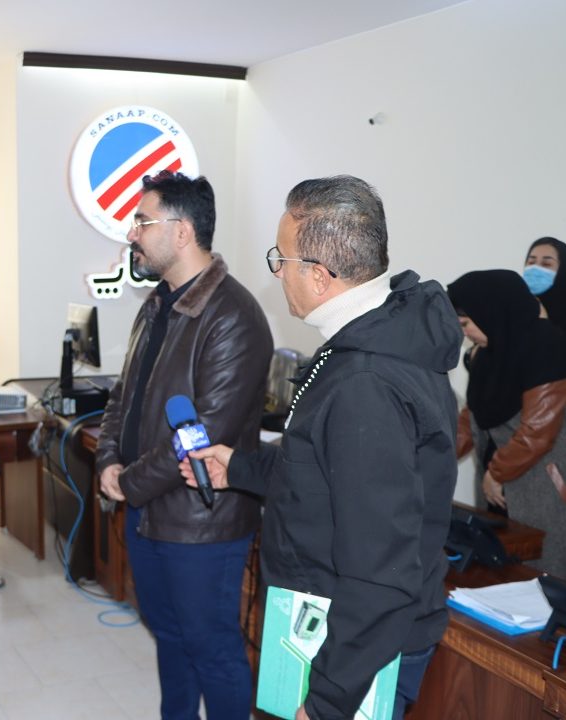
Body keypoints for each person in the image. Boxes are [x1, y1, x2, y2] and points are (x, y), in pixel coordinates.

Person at [182, 176, 463, 720]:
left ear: (317, 274)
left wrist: (327, 700)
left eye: (279, 258)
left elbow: (379, 570)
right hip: (335, 624)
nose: (275, 272)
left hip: (355, 648)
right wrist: (238, 468)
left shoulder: (367, 384)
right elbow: (321, 471)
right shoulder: (371, 338)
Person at [95, 171, 273, 720]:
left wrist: (128, 483)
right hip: (149, 511)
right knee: (169, 637)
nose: (132, 233)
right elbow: (123, 395)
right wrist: (107, 458)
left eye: (142, 222)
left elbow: (202, 435)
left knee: (211, 648)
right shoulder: (157, 304)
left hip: (202, 521)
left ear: (182, 231)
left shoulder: (234, 316)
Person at [447, 269, 566, 578]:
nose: (465, 334)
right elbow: (472, 417)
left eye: (466, 324)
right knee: (498, 572)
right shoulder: (485, 355)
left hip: (540, 487)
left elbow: (538, 432)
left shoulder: (547, 347)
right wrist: (435, 456)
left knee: (544, 575)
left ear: (490, 313)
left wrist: (496, 474)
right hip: (498, 485)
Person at [523, 236, 566, 333]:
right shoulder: (515, 306)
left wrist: (543, 323)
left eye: (546, 264)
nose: (535, 268)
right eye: (531, 262)